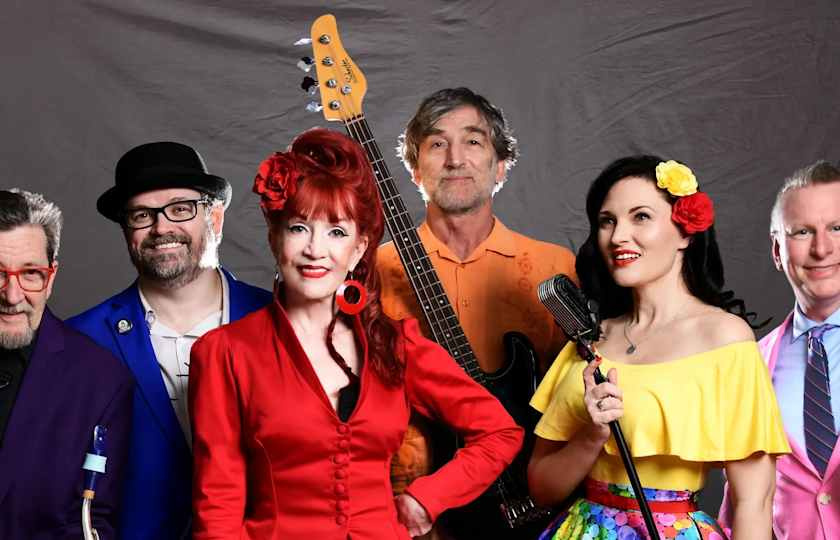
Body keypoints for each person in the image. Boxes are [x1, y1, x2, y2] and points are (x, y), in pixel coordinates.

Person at [188, 128, 523, 539]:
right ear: (275, 239)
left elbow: (500, 432)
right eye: (299, 228)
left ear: (360, 248)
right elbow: (218, 510)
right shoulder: (225, 353)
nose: (316, 250)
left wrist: (428, 498)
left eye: (337, 232)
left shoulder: (395, 345)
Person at [527, 156, 790, 539]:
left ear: (685, 233)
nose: (618, 236)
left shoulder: (725, 339)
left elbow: (754, 501)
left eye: (641, 217)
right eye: (607, 221)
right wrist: (591, 436)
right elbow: (541, 488)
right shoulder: (588, 341)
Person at [377, 87, 577, 537]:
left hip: (530, 502)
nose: (455, 159)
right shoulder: (369, 271)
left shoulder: (555, 267)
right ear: (414, 169)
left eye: (472, 141)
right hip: (408, 509)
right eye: (436, 144)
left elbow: (573, 402)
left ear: (500, 164)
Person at [67, 142, 272, 539]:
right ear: (126, 231)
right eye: (142, 215)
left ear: (215, 217)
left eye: (180, 209)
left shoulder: (277, 321)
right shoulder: (82, 340)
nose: (161, 228)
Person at [0, 189, 133, 539]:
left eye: (31, 273)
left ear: (51, 277)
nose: (12, 296)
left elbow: (94, 520)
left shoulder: (101, 381)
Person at [719, 161, 840, 539]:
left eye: (837, 228)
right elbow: (740, 505)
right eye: (802, 232)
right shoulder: (750, 364)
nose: (822, 248)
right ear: (776, 250)